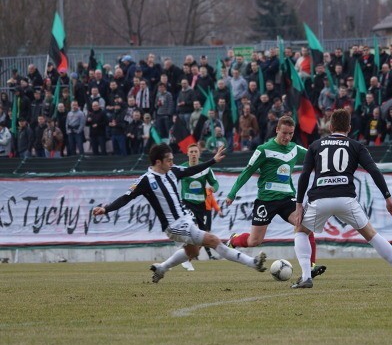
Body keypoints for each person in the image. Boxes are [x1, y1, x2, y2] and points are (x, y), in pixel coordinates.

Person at [92, 144, 267, 283]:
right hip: (174, 226)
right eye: (169, 160)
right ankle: (254, 263)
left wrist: (213, 160)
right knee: (213, 241)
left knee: (193, 252)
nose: (172, 162)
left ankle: (162, 268)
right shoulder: (146, 180)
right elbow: (126, 197)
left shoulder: (173, 171)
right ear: (158, 162)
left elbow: (192, 170)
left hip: (185, 219)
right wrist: (106, 209)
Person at [292, 109, 392, 289]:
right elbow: (374, 170)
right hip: (346, 199)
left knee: (300, 231)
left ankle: (306, 277)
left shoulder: (315, 145)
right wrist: (388, 198)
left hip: (320, 199)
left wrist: (299, 205)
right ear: (349, 128)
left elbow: (304, 175)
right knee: (372, 236)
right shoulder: (355, 145)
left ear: (330, 126)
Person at [225, 116, 326, 279]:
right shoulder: (264, 149)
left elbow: (315, 155)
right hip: (266, 200)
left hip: (287, 200)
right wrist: (232, 193)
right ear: (277, 130)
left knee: (306, 224)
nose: (287, 137)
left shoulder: (295, 149)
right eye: (284, 133)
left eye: (291, 134)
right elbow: (247, 171)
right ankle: (235, 240)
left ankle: (311, 267)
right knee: (254, 241)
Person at [179, 143, 220, 269]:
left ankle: (186, 258)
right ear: (187, 153)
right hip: (187, 203)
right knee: (192, 228)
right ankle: (183, 257)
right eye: (191, 152)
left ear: (199, 153)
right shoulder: (182, 169)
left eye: (195, 152)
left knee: (203, 235)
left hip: (201, 205)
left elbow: (215, 182)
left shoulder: (206, 168)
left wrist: (214, 188)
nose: (193, 154)